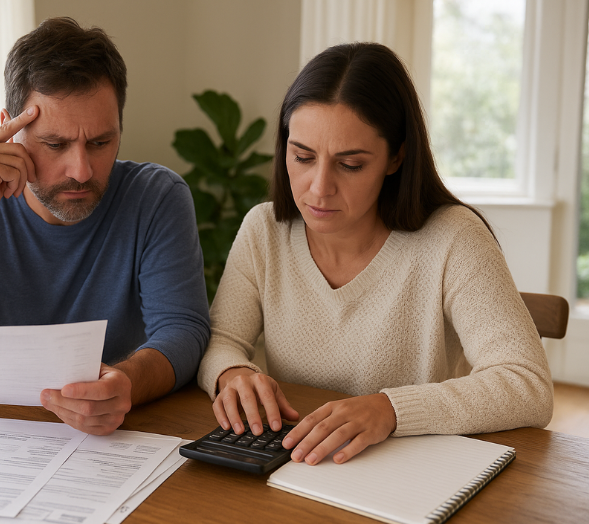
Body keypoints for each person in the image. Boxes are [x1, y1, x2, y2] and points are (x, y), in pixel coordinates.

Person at [197, 42, 553, 465]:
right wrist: (230, 373)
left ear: (396, 156)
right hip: (299, 465)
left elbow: (527, 384)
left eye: (350, 165)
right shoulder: (264, 229)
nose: (319, 187)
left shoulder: (453, 238)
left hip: (412, 469)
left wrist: (390, 409)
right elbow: (220, 341)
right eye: (303, 157)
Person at [0, 17, 210, 435]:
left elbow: (184, 330)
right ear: (10, 130)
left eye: (101, 142)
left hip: (124, 434)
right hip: (5, 436)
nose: (82, 170)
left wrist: (127, 384)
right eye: (55, 144)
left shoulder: (156, 197)